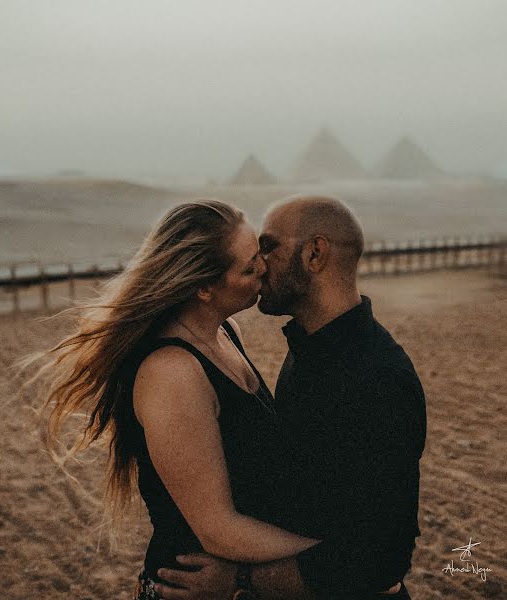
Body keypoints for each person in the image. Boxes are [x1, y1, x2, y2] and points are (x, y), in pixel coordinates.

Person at [37, 200, 327, 599]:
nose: (263, 266)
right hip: (193, 585)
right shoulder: (172, 373)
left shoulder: (226, 334)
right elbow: (220, 529)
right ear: (204, 288)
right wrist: (340, 560)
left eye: (259, 250)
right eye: (247, 266)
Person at [153, 197, 426, 600]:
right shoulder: (309, 350)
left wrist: (241, 579)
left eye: (269, 246)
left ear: (314, 254)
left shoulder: (378, 378)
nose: (259, 263)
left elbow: (381, 554)